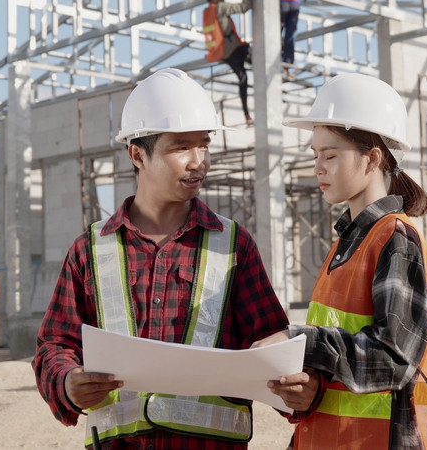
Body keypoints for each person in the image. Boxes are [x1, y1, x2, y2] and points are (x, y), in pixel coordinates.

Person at [33, 67, 290, 449]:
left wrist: (289, 373)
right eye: (181, 147)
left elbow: (269, 339)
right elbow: (55, 345)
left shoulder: (233, 247)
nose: (199, 161)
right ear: (137, 154)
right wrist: (68, 382)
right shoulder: (90, 250)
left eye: (204, 145)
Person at [254, 73, 427, 449]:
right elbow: (341, 361)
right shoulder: (348, 243)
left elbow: (394, 356)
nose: (318, 167)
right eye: (315, 155)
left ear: (372, 158)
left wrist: (300, 341)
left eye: (330, 155)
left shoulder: (395, 239)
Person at [203, 0, 254, 125]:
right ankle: (252, 58)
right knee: (253, 51)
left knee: (243, 78)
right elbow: (245, 7)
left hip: (223, 53)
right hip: (234, 50)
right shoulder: (221, 7)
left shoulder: (207, 12)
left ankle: (246, 115)